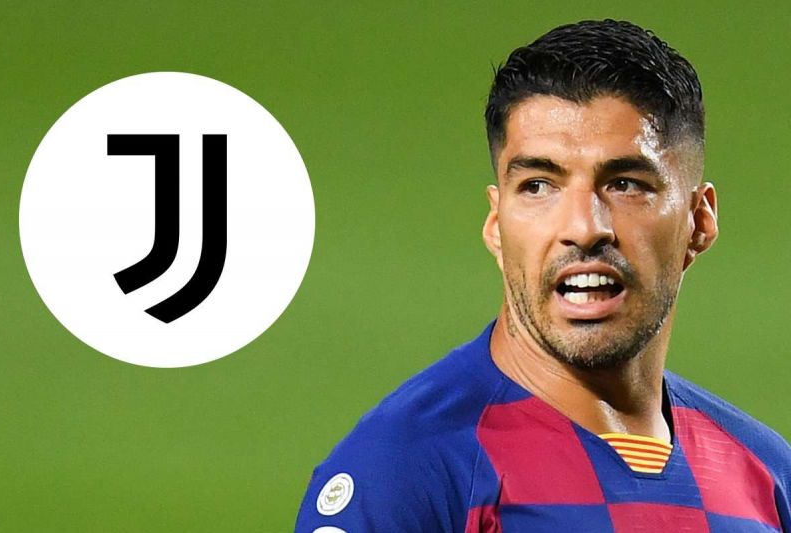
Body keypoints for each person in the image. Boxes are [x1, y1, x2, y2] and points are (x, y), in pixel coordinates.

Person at [295, 19, 791, 532]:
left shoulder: (768, 475)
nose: (583, 228)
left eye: (625, 184)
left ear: (698, 222)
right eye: (538, 186)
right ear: (497, 225)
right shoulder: (405, 472)